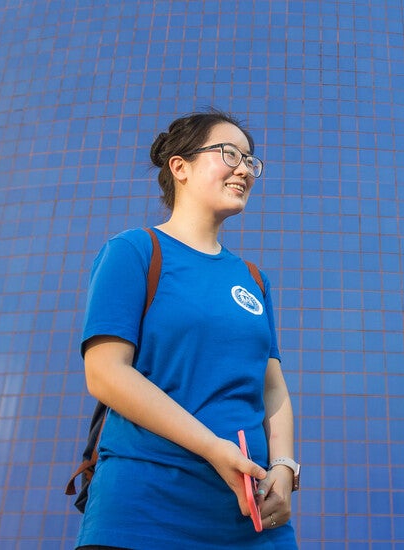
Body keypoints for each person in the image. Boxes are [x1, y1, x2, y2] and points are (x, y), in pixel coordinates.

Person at [78, 111, 298, 549]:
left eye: (251, 161)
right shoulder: (134, 251)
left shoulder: (254, 279)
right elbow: (105, 373)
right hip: (145, 508)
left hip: (249, 518)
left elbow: (272, 387)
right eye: (229, 153)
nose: (244, 169)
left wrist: (285, 467)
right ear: (179, 167)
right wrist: (213, 447)